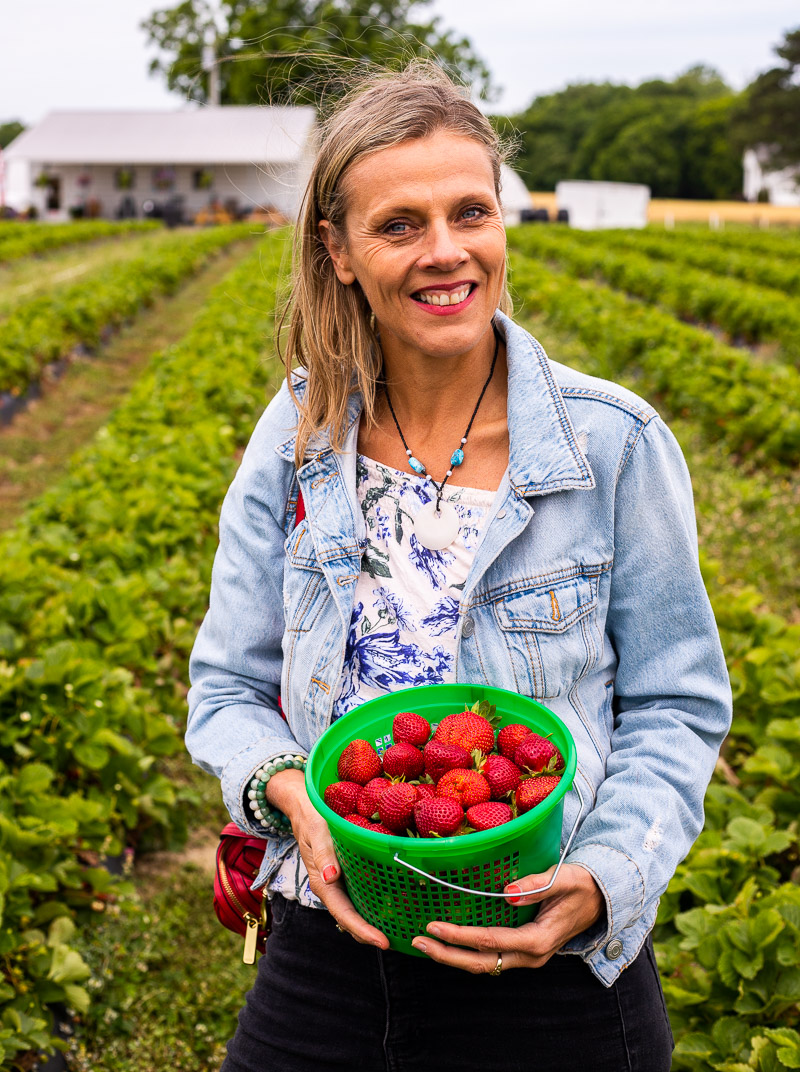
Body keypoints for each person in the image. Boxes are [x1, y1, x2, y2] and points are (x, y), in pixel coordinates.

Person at [186, 62, 732, 1072]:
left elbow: (675, 702)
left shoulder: (609, 443)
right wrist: (285, 793)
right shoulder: (298, 433)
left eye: (469, 211)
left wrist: (607, 875)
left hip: (546, 948)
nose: (446, 252)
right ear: (337, 251)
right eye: (399, 224)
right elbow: (225, 685)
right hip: (330, 934)